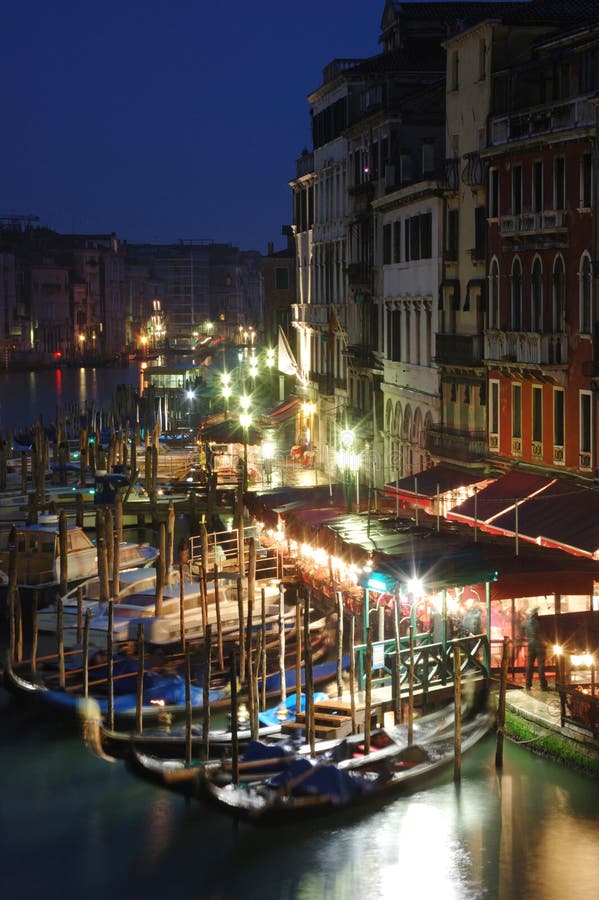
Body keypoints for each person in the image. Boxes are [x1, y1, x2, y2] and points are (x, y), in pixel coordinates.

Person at [524, 605, 548, 691]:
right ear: (536, 613)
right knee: (541, 665)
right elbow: (544, 634)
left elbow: (524, 633)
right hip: (540, 645)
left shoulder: (526, 623)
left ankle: (528, 684)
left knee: (530, 665)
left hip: (531, 645)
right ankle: (543, 685)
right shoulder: (541, 622)